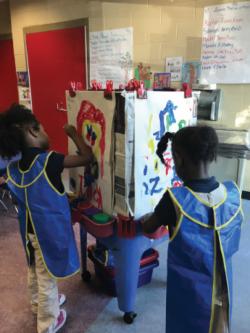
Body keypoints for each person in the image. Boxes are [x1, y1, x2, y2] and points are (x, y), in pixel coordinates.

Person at [0, 104, 93, 333]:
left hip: (29, 231)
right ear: (32, 132)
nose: (46, 133)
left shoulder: (13, 168)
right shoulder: (48, 160)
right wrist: (73, 133)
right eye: (42, 129)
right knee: (46, 277)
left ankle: (37, 305)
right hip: (48, 232)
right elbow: (86, 157)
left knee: (34, 268)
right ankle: (48, 323)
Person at [141, 125, 243, 333]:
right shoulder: (231, 195)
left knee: (189, 325)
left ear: (178, 158)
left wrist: (146, 217)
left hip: (191, 293)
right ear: (212, 155)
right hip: (222, 288)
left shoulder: (175, 200)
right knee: (217, 325)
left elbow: (148, 227)